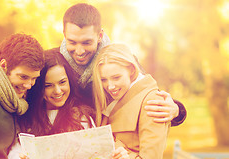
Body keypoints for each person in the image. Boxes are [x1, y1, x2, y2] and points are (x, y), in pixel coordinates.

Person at [57, 3, 186, 126]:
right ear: (65, 35)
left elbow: (147, 96)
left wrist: (176, 110)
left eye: (86, 43)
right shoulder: (54, 63)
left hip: (118, 143)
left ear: (100, 35)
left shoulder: (119, 60)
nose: (79, 51)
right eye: (72, 42)